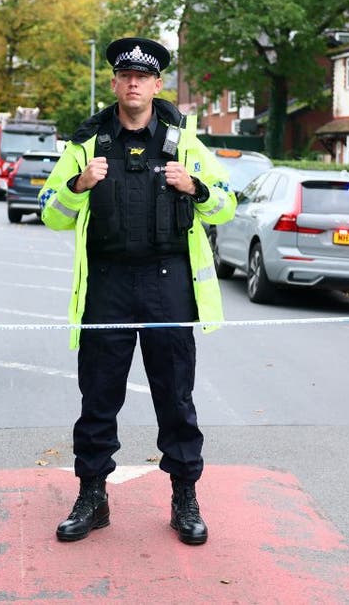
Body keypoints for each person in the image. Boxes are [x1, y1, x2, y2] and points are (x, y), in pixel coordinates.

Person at [38, 37, 236, 545]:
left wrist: (198, 188)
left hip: (167, 284)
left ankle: (185, 496)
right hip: (107, 285)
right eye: (125, 75)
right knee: (98, 396)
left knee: (176, 397)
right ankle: (92, 496)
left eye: (143, 76)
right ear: (114, 83)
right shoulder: (85, 145)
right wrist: (76, 186)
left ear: (155, 85)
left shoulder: (185, 144)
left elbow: (228, 205)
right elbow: (50, 213)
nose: (133, 83)